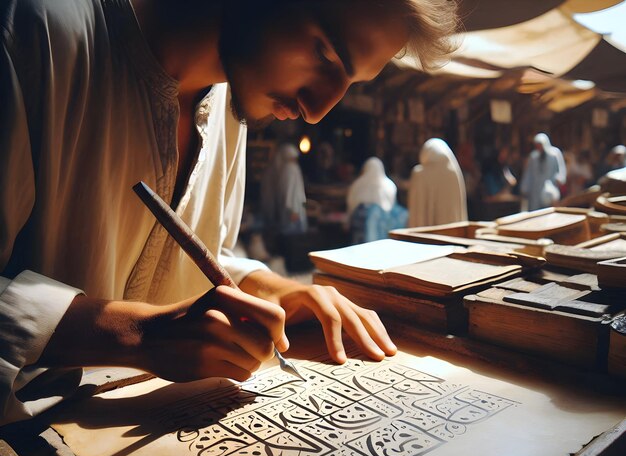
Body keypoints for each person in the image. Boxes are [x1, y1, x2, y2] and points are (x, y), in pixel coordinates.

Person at [0, 0, 458, 424]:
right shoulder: (36, 31)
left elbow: (193, 256)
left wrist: (271, 289)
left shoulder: (227, 104)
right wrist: (136, 335)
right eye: (326, 54)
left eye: (351, 84)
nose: (318, 112)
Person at [408, 138, 467, 227]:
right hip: (451, 233)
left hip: (423, 234)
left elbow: (416, 212)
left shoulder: (419, 174)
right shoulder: (454, 173)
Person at [346, 157, 407, 243]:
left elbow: (351, 205)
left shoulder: (356, 184)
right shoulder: (389, 185)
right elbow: (391, 207)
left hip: (360, 227)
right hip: (381, 228)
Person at [520, 133, 567, 211]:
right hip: (535, 190)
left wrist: (560, 178)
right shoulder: (533, 157)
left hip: (549, 189)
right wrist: (525, 187)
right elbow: (528, 173)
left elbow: (561, 169)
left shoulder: (554, 154)